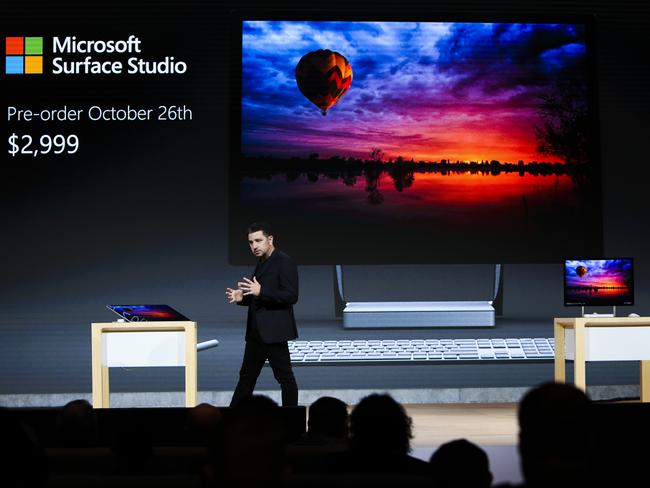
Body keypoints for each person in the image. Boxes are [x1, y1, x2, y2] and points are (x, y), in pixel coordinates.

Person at [226, 222, 299, 407]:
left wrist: (262, 291)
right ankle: (231, 422)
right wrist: (242, 297)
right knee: (246, 379)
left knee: (285, 379)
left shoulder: (284, 262)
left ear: (270, 239)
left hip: (274, 334)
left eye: (258, 241)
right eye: (251, 242)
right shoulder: (262, 263)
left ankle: (291, 424)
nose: (254, 246)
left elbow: (291, 296)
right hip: (256, 334)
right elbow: (258, 296)